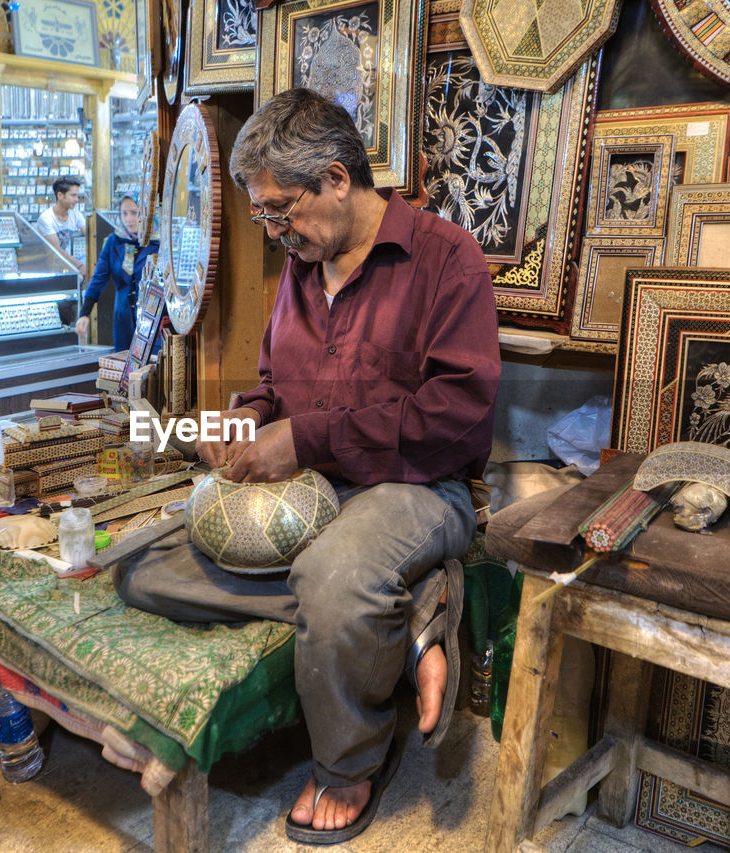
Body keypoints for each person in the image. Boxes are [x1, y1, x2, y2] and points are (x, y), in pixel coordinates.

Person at [114, 88, 500, 844]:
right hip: (317, 490)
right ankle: (409, 617)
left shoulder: (445, 259)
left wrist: (304, 439)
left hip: (418, 486)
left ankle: (349, 760)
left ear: (335, 177)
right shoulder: (300, 267)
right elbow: (271, 385)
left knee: (333, 577)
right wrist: (249, 418)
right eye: (261, 214)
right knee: (147, 564)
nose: (273, 230)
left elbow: (455, 418)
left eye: (280, 209)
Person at [74, 195, 159, 352]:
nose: (129, 219)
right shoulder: (114, 241)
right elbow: (99, 277)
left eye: (134, 213)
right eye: (124, 213)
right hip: (123, 317)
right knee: (125, 365)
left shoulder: (159, 241)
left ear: (147, 212)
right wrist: (85, 313)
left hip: (152, 318)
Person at [36, 176, 87, 278]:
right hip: (50, 269)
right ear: (60, 195)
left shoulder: (75, 214)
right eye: (73, 195)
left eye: (77, 196)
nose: (77, 200)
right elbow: (57, 250)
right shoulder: (46, 218)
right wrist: (80, 265)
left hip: (67, 264)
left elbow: (90, 235)